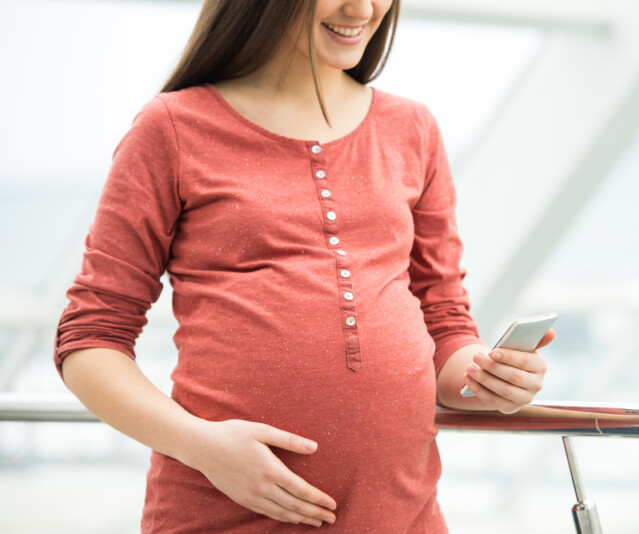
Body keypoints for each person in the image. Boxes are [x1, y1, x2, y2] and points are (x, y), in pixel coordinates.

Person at [53, 0, 554, 532]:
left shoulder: (414, 129)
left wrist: (487, 378)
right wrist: (203, 447)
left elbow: (446, 326)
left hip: (403, 516)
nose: (364, 8)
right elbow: (90, 340)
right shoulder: (172, 128)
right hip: (221, 516)